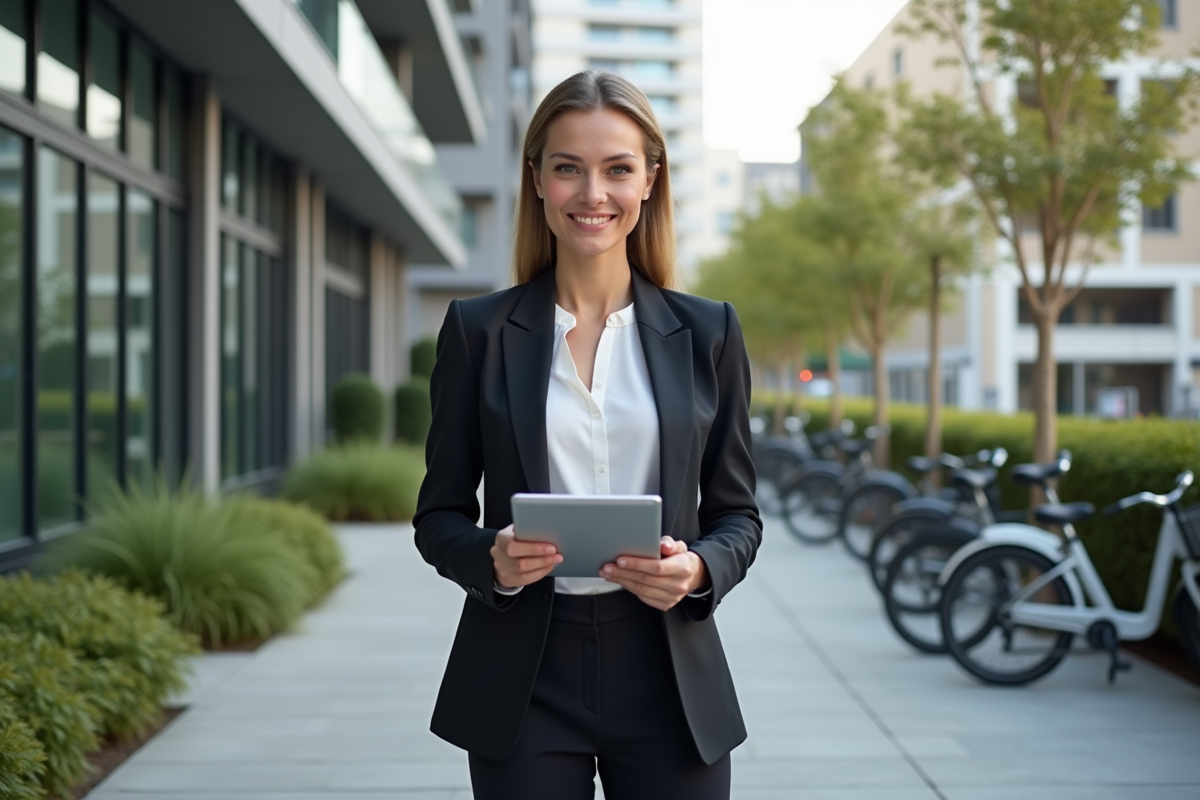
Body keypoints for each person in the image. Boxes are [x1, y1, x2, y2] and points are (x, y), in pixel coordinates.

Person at [413, 69, 761, 800]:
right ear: (536, 179)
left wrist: (697, 570)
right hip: (522, 676)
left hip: (669, 674)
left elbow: (738, 516)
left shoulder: (708, 333)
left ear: (650, 181)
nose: (592, 193)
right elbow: (438, 516)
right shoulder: (477, 333)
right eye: (568, 167)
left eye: (617, 169)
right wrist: (492, 559)